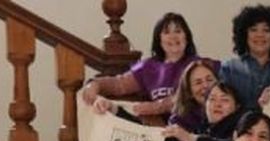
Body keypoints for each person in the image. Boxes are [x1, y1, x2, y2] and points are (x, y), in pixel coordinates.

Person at [82, 13, 212, 119]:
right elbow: (118, 84)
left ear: (186, 37)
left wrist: (154, 107)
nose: (173, 37)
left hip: (194, 129)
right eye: (166, 32)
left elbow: (187, 96)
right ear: (159, 39)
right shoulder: (148, 66)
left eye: (178, 31)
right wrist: (94, 84)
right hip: (157, 129)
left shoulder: (199, 65)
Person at [219, 4, 270, 109]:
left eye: (266, 30)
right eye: (253, 29)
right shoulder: (229, 69)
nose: (260, 35)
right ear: (244, 34)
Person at [167, 59, 222, 131]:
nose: (205, 85)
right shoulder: (179, 122)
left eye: (209, 80)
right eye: (198, 83)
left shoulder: (231, 112)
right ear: (189, 92)